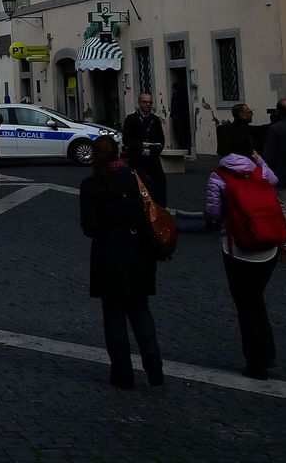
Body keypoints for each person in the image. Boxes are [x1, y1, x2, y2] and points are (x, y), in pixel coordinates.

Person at [79, 135, 163, 389]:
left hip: (109, 254)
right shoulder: (136, 178)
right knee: (140, 309)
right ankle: (152, 356)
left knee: (114, 315)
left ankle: (122, 373)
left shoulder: (91, 185)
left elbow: (89, 228)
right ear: (118, 153)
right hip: (139, 252)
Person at [205, 124, 281, 379]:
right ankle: (268, 352)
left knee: (246, 305)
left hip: (238, 248)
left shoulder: (219, 175)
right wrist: (257, 157)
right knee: (257, 299)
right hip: (269, 246)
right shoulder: (259, 169)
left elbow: (213, 213)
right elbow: (274, 181)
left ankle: (256, 363)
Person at [120, 92, 167, 207]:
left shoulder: (155, 120)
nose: (147, 104)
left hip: (153, 159)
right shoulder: (131, 119)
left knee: (159, 184)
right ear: (139, 103)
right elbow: (127, 139)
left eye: (150, 102)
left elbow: (161, 139)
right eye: (145, 102)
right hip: (137, 159)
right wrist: (141, 146)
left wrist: (156, 148)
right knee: (136, 186)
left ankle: (160, 209)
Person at [262, 97, 286, 255]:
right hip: (285, 172)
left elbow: (269, 154)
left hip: (283, 174)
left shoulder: (275, 129)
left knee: (284, 207)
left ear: (279, 112)